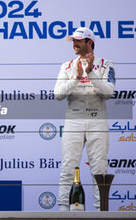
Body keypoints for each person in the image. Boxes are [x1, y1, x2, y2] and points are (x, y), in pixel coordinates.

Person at [54, 27, 115, 211]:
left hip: (97, 120)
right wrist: (77, 77)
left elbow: (109, 93)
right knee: (68, 167)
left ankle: (101, 212)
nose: (74, 44)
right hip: (74, 119)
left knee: (100, 169)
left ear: (90, 42)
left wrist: (90, 73)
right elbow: (57, 94)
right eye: (73, 41)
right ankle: (63, 210)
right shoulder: (66, 66)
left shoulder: (106, 64)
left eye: (78, 41)